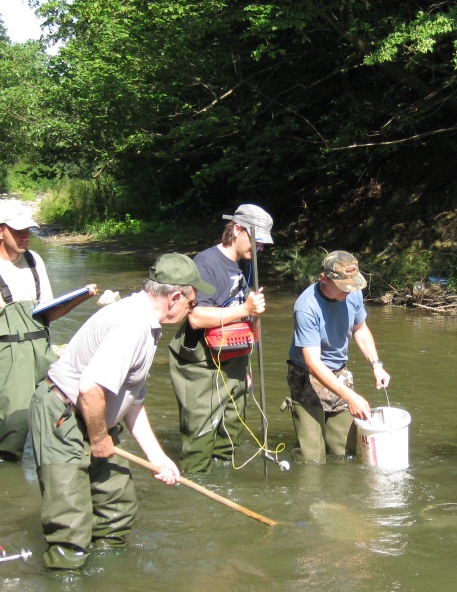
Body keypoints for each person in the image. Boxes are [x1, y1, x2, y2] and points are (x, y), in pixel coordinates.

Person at [27, 253, 212, 570]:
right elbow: (89, 389)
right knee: (69, 522)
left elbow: (131, 401)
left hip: (93, 417)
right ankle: (66, 584)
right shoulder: (132, 325)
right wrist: (100, 441)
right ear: (175, 297)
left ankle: (105, 578)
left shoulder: (148, 323)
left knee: (117, 505)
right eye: (192, 303)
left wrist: (157, 457)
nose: (192, 311)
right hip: (63, 414)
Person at [0, 201, 98, 463]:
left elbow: (46, 314)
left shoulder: (35, 261)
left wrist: (79, 298)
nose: (25, 236)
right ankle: (3, 485)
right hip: (4, 360)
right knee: (9, 431)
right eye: (17, 231)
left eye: (27, 230)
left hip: (41, 354)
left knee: (61, 414)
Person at [168, 204, 272, 474]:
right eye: (256, 241)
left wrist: (245, 367)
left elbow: (243, 320)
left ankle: (224, 480)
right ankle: (197, 490)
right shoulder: (205, 264)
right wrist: (245, 309)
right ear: (237, 229)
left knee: (232, 430)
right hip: (201, 362)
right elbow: (197, 317)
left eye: (262, 245)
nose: (258, 250)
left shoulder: (243, 266)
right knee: (201, 433)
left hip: (234, 358)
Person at [286, 250, 390, 463]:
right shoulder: (307, 307)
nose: (349, 290)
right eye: (343, 286)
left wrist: (376, 364)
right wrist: (351, 397)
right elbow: (312, 363)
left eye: (352, 284)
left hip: (339, 371)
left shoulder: (353, 291)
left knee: (346, 452)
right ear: (324, 278)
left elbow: (360, 329)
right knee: (311, 458)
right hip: (307, 376)